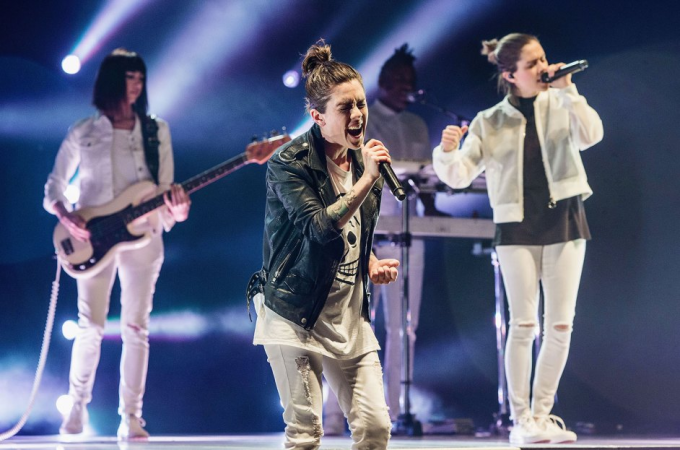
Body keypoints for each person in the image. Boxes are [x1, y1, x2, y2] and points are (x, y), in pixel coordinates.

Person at [432, 33, 603, 445]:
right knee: (524, 324)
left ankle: (543, 417)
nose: (543, 68)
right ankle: (521, 419)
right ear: (509, 74)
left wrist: (568, 90)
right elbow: (457, 176)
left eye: (543, 58)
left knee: (560, 324)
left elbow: (591, 135)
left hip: (565, 219)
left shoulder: (561, 102)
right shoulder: (489, 121)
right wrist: (445, 150)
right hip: (516, 228)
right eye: (532, 64)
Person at [248, 40, 399, 450]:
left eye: (361, 104)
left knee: (374, 430)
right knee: (306, 435)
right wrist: (368, 179)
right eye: (345, 108)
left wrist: (368, 262)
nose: (358, 115)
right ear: (317, 117)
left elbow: (352, 232)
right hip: (295, 312)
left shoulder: (364, 162)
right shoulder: (288, 163)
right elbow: (317, 227)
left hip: (348, 315)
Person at [44, 48, 191, 440]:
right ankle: (76, 406)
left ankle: (131, 416)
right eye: (129, 77)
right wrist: (65, 213)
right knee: (90, 325)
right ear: (111, 80)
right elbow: (54, 186)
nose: (137, 85)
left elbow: (164, 192)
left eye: (140, 78)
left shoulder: (155, 131)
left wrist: (177, 211)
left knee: (136, 327)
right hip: (92, 239)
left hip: (144, 239)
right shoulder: (83, 131)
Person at [324, 44, 432, 434]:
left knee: (405, 325)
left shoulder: (418, 126)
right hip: (364, 233)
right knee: (350, 320)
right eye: (398, 80)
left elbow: (424, 183)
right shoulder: (363, 123)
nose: (405, 87)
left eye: (410, 82)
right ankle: (335, 413)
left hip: (407, 233)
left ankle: (393, 409)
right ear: (382, 83)